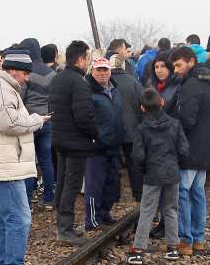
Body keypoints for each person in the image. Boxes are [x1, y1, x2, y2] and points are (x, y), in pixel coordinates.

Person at [0, 50, 47, 265]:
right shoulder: (0, 88)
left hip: (4, 161)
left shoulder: (1, 87)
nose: (26, 78)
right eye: (25, 73)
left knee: (8, 215)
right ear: (13, 70)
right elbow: (9, 123)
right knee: (20, 216)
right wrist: (37, 120)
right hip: (6, 163)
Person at [127, 88, 189, 265]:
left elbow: (137, 155)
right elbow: (184, 150)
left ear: (142, 108)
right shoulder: (175, 124)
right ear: (162, 102)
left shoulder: (141, 128)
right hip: (171, 172)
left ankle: (138, 250)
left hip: (152, 174)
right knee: (170, 210)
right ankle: (172, 247)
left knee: (147, 211)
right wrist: (176, 164)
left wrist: (145, 168)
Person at [171, 47, 210, 254]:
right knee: (197, 192)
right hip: (207, 147)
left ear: (191, 62)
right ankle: (198, 237)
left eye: (178, 65)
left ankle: (186, 239)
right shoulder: (208, 83)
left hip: (191, 148)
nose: (175, 70)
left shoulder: (191, 86)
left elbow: (187, 120)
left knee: (182, 192)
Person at [50, 40, 98, 246]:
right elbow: (84, 116)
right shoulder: (79, 82)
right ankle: (65, 229)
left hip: (60, 138)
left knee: (62, 182)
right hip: (76, 141)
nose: (88, 62)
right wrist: (95, 133)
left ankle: (62, 224)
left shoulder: (57, 79)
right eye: (87, 58)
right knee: (72, 183)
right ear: (80, 59)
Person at [84, 57, 124, 230]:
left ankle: (104, 213)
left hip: (114, 144)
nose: (102, 73)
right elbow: (86, 119)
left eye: (105, 70)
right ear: (92, 71)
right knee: (94, 185)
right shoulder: (88, 91)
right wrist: (95, 138)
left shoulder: (115, 90)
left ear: (110, 71)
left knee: (111, 183)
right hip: (96, 147)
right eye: (98, 70)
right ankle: (92, 220)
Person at [19, 38, 57, 208]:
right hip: (47, 120)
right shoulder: (52, 73)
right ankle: (49, 199)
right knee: (46, 160)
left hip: (29, 121)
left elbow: (20, 98)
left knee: (28, 161)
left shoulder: (26, 73)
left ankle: (27, 200)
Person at [109, 54, 145, 201]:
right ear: (123, 65)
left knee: (114, 164)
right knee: (134, 164)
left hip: (113, 130)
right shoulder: (134, 82)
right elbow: (142, 104)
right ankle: (138, 194)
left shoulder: (107, 82)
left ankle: (114, 195)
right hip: (132, 129)